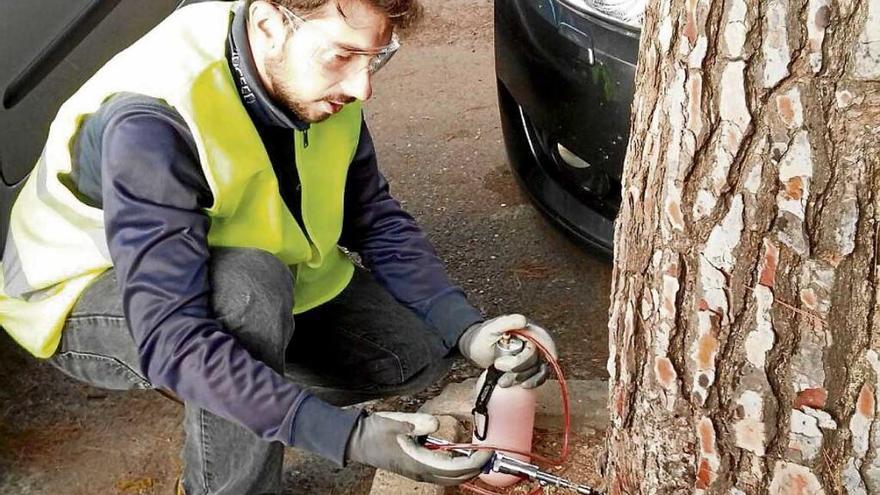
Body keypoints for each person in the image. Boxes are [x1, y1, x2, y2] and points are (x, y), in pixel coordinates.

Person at [0, 1, 557, 493]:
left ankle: (237, 382)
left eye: (375, 57)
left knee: (409, 354)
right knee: (243, 299)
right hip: (78, 295)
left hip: (246, 268)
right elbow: (173, 336)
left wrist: (465, 327)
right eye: (342, 56)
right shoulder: (151, 122)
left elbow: (373, 217)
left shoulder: (315, 77)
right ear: (268, 24)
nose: (363, 87)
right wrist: (348, 437)